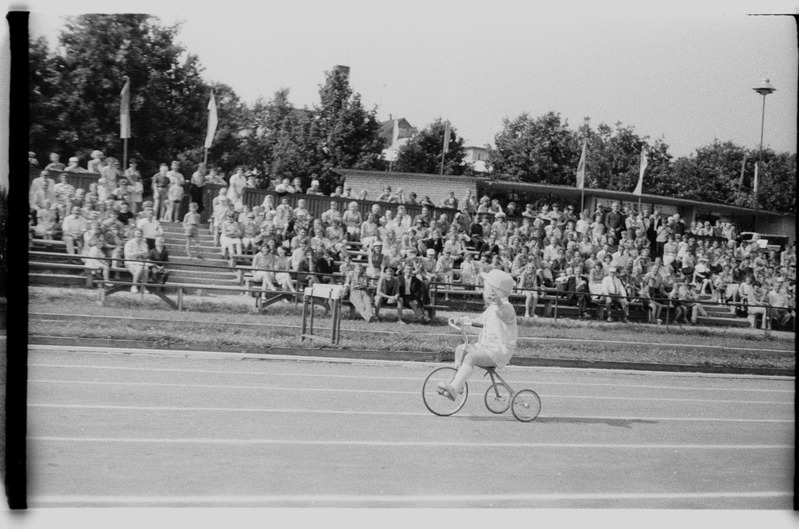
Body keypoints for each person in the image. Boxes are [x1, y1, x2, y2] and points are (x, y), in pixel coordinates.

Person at [436, 269, 518, 400]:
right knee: (461, 349)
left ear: (493, 291)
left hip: (498, 351)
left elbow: (506, 315)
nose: (484, 291)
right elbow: (478, 324)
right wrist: (462, 320)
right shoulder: (491, 309)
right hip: (486, 347)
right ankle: (458, 382)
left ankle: (454, 389)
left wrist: (500, 304)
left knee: (471, 357)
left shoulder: (506, 307)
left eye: (486, 288)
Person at [123, 228, 150, 293]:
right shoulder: (129, 243)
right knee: (140, 267)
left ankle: (143, 287)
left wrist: (143, 254)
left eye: (140, 234)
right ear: (134, 234)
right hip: (130, 262)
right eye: (137, 234)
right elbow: (127, 255)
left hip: (140, 262)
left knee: (146, 268)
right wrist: (138, 254)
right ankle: (134, 286)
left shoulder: (144, 244)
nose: (139, 235)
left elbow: (146, 254)